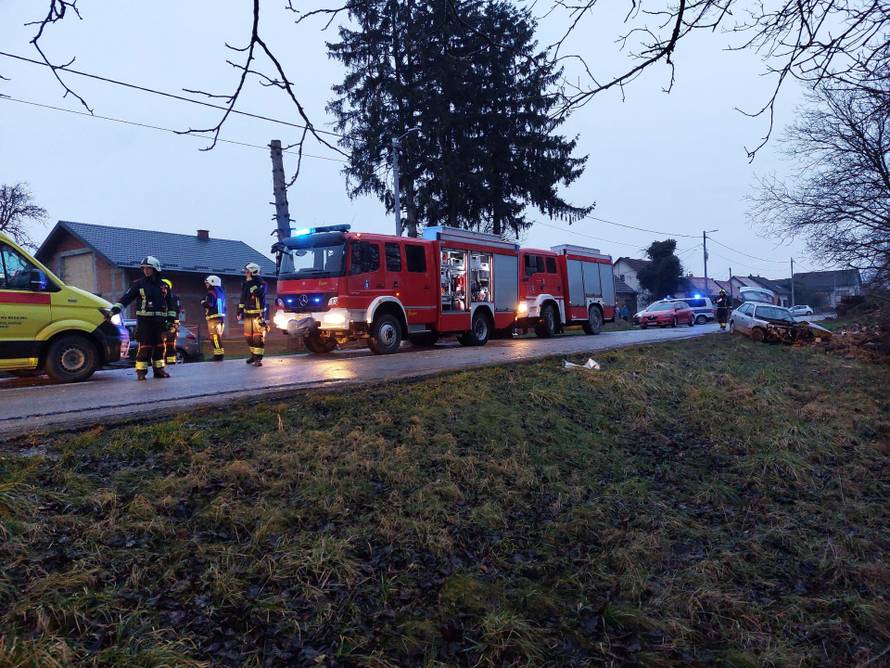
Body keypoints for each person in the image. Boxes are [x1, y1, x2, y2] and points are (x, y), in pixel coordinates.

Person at [111, 256, 170, 380]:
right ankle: (141, 371)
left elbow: (170, 305)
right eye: (144, 268)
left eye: (149, 268)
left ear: (156, 269)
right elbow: (126, 298)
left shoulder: (164, 286)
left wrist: (171, 322)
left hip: (160, 323)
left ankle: (159, 369)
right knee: (145, 347)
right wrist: (115, 310)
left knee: (160, 347)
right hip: (145, 322)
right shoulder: (138, 284)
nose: (146, 270)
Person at [238, 262, 268, 367]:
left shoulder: (262, 283)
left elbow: (258, 293)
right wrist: (239, 310)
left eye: (247, 272)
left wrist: (252, 285)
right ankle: (253, 355)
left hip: (257, 314)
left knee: (257, 337)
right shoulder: (246, 284)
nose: (245, 274)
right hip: (247, 315)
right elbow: (243, 298)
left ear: (253, 272)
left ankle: (258, 359)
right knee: (248, 337)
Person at [201, 275, 226, 361]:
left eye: (207, 283)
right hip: (220, 318)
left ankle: (218, 356)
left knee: (214, 337)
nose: (206, 285)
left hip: (214, 319)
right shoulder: (221, 293)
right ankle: (218, 355)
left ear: (212, 282)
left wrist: (203, 302)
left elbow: (209, 304)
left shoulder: (211, 293)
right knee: (216, 337)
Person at [160, 278, 181, 366]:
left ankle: (164, 360)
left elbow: (174, 310)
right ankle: (171, 360)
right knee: (171, 343)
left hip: (167, 323)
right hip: (173, 323)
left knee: (164, 342)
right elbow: (178, 310)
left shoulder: (165, 297)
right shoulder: (175, 297)